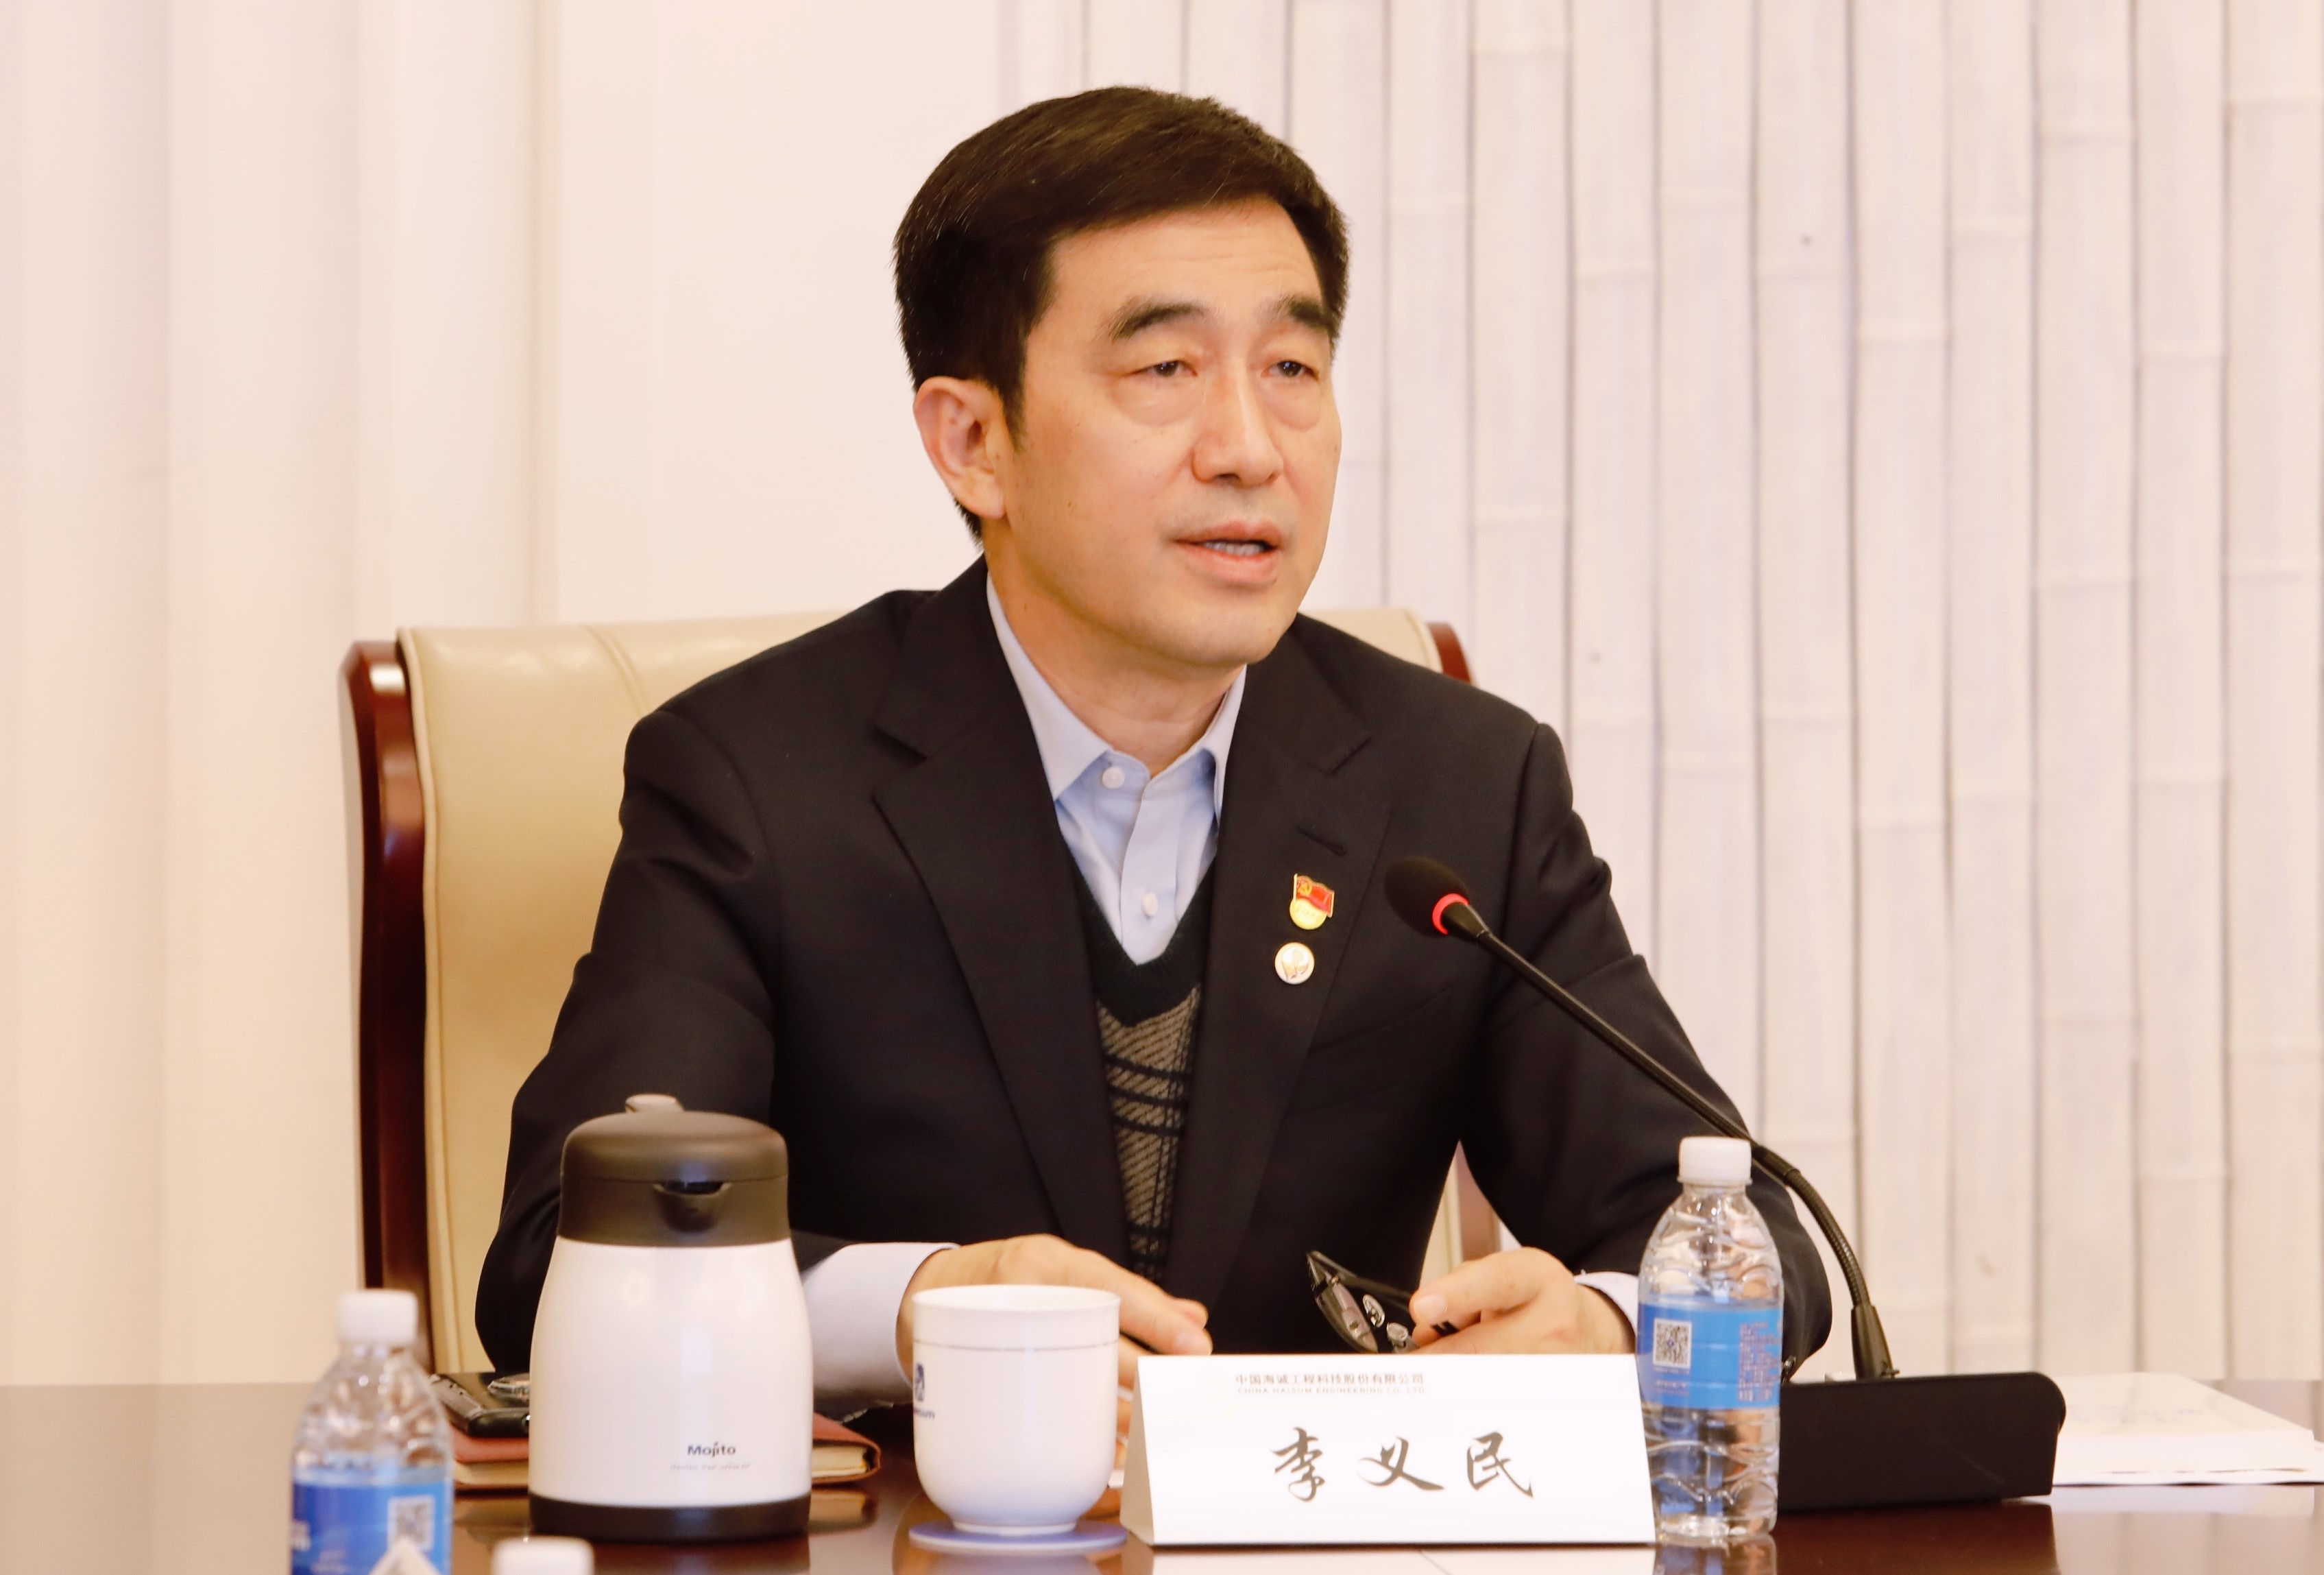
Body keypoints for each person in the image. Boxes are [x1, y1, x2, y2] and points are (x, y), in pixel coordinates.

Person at [476, 86, 1830, 1414]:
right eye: (1166, 370)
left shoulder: (1460, 784)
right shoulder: (758, 779)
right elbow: (562, 1261)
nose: (1249, 449)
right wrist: (923, 1307)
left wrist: (1605, 1323)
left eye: (1291, 370)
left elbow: (1750, 1234)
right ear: (973, 442)